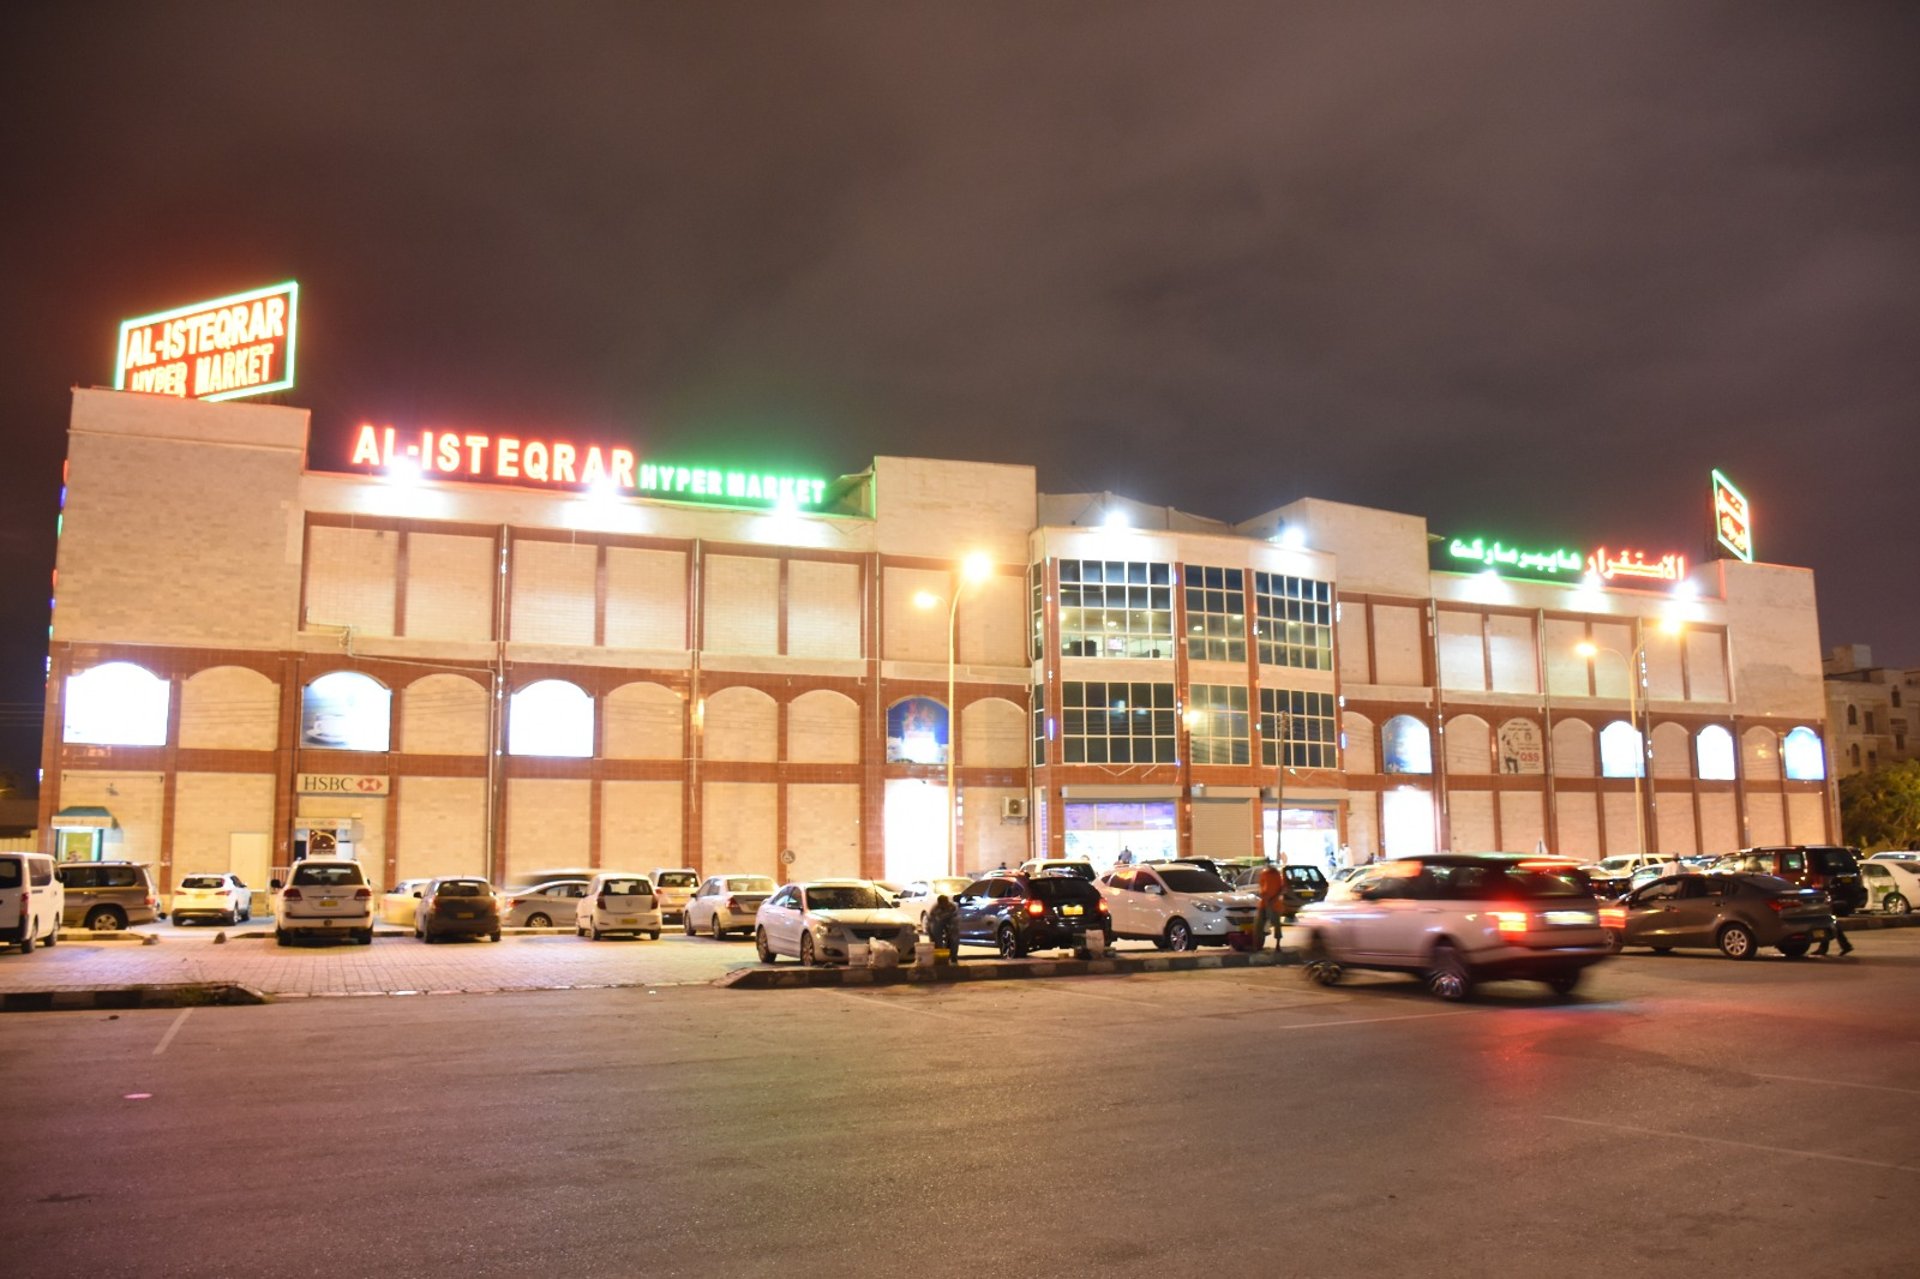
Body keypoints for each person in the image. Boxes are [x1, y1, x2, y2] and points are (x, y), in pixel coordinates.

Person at [1256, 862, 1288, 957]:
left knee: (1276, 925)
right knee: (1260, 924)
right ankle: (1258, 945)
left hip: (1274, 904)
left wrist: (1273, 898)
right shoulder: (1265, 874)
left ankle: (1277, 945)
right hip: (1265, 903)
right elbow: (1262, 888)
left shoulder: (1277, 875)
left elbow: (1282, 888)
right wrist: (1266, 897)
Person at [925, 894, 960, 964]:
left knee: (954, 937)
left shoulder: (953, 907)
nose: (944, 905)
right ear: (939, 903)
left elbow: (955, 919)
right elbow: (931, 922)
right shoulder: (935, 909)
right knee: (936, 937)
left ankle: (953, 957)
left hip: (950, 921)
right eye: (942, 904)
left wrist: (951, 929)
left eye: (946, 903)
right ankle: (940, 957)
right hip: (936, 922)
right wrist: (932, 934)